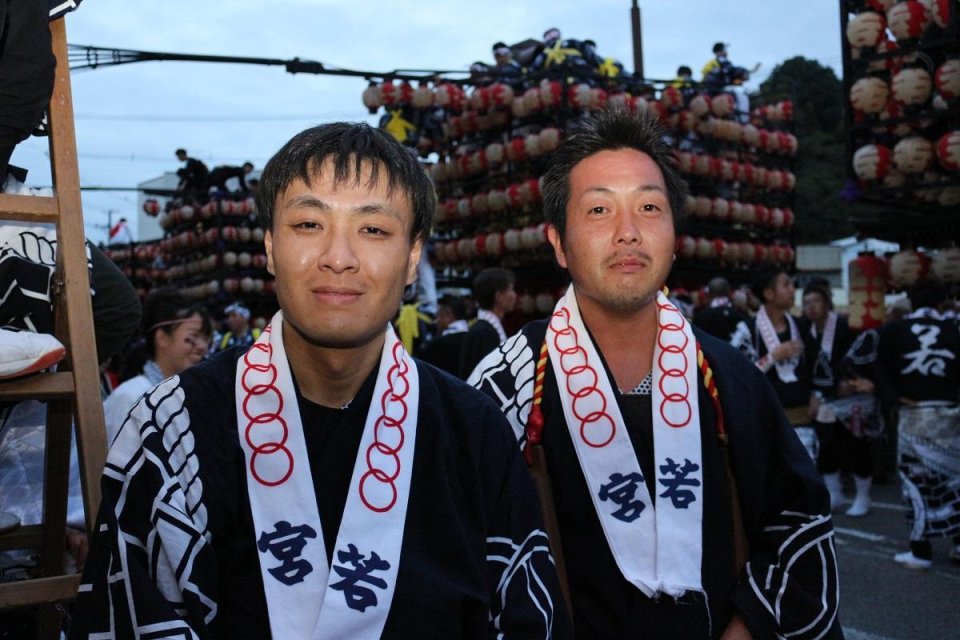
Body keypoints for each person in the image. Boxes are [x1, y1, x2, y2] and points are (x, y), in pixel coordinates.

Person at [72, 122, 570, 639]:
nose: (338, 257)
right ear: (268, 246)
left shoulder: (474, 430)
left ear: (412, 257)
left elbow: (529, 617)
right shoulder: (171, 428)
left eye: (373, 230)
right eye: (309, 224)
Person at [469, 108, 840, 639]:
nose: (628, 233)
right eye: (599, 210)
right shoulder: (507, 383)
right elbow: (462, 557)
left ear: (673, 232)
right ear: (558, 242)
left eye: (649, 207)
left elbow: (798, 524)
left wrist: (749, 627)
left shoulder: (728, 377)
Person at [877, 278, 960, 570]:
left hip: (913, 414)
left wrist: (892, 398)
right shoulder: (954, 328)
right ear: (941, 302)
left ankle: (921, 549)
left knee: (916, 481)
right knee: (955, 481)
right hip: (952, 417)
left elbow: (878, 366)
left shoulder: (893, 331)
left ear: (911, 302)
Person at [801, 282, 879, 517]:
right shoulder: (806, 330)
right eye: (806, 304)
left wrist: (856, 380)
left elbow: (863, 357)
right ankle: (835, 493)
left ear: (827, 304)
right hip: (823, 396)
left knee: (855, 446)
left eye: (816, 301)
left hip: (851, 397)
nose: (811, 307)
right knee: (827, 446)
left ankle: (863, 496)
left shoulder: (847, 327)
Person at [102, 288, 212, 443]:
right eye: (193, 337)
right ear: (162, 338)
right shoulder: (132, 397)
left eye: (205, 339)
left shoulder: (190, 398)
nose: (201, 346)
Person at [750, 269, 818, 461]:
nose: (792, 290)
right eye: (786, 285)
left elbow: (816, 365)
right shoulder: (748, 329)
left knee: (805, 479)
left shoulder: (801, 326)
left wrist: (818, 394)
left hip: (802, 415)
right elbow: (739, 375)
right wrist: (772, 356)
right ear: (769, 294)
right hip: (766, 417)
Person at [457, 267, 516, 379]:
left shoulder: (483, 328)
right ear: (499, 296)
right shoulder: (485, 333)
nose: (514, 295)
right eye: (511, 289)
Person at [692, 276, 756, 362]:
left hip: (710, 364)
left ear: (709, 293)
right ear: (729, 292)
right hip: (736, 362)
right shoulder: (741, 315)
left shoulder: (701, 316)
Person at [415, 294, 469, 376]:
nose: (435, 322)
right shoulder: (475, 341)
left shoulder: (437, 345)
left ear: (448, 316)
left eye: (438, 316)